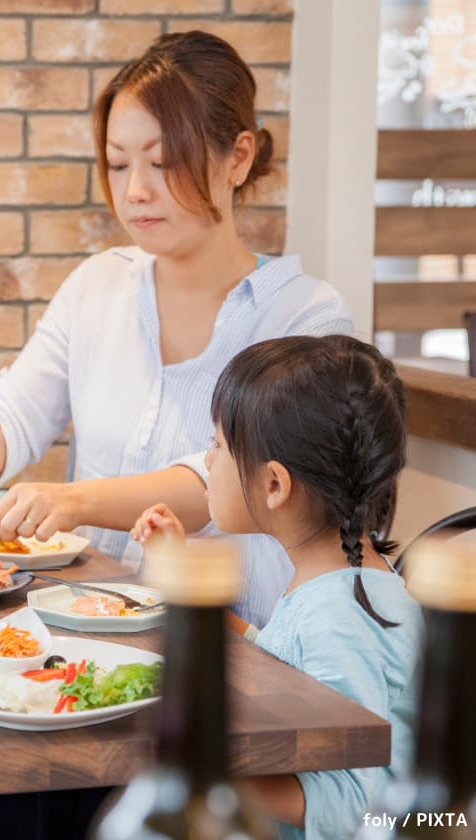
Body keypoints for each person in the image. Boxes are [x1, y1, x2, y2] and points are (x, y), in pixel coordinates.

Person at [0, 30, 352, 632]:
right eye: (117, 163)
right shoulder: (97, 287)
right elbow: (7, 430)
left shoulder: (308, 317)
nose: (135, 190)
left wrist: (77, 500)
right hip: (94, 626)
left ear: (237, 157)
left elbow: (238, 476)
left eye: (164, 163)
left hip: (239, 644)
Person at [131, 335, 423, 839]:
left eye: (218, 446)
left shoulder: (342, 618)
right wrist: (191, 591)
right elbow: (280, 665)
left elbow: (358, 802)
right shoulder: (336, 589)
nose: (207, 461)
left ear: (274, 485)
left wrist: (213, 770)